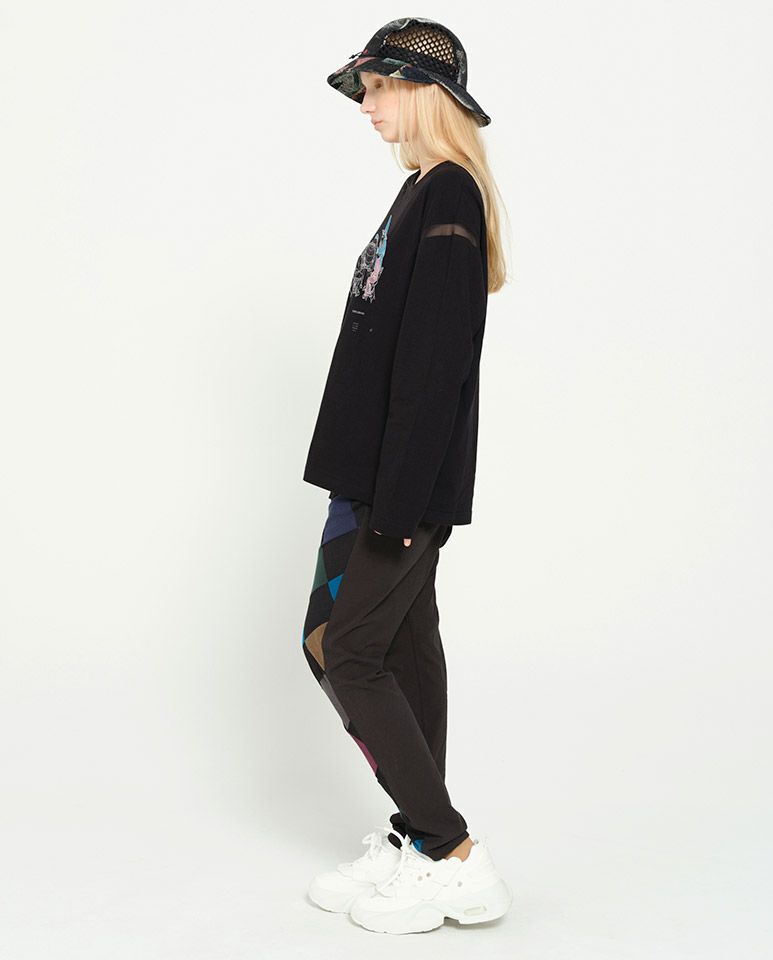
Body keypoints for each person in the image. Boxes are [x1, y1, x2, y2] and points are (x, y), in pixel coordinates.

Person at [299, 17, 511, 935]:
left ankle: (451, 852)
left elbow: (434, 364)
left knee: (341, 649)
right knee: (397, 646)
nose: (368, 105)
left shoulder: (450, 194)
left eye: (381, 88)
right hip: (371, 476)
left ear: (427, 94)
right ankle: (422, 839)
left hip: (398, 487)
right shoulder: (423, 191)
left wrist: (399, 501)